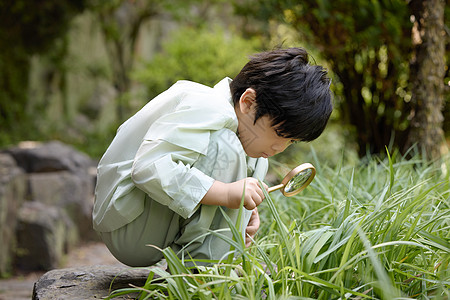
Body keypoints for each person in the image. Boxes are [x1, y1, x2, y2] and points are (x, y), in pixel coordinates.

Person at [92, 47, 333, 267]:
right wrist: (227, 194)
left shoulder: (246, 142)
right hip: (128, 224)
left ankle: (207, 269)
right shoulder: (208, 105)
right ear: (248, 102)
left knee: (258, 161)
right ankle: (203, 277)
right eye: (280, 133)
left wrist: (245, 214)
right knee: (226, 147)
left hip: (151, 225)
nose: (282, 147)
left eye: (291, 141)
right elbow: (148, 167)